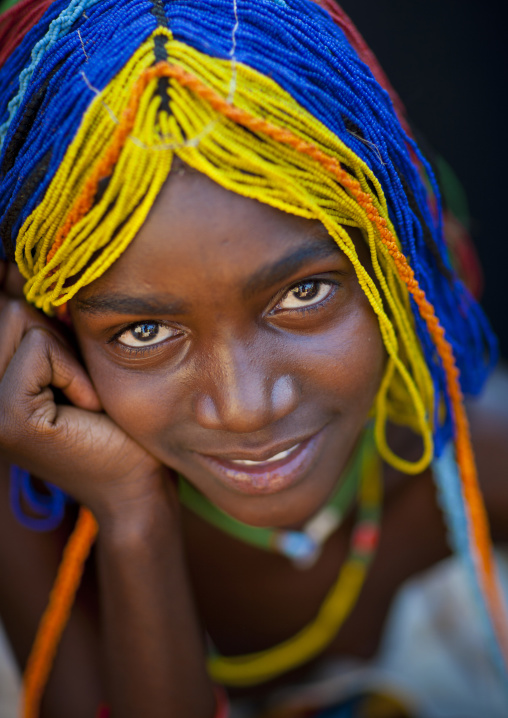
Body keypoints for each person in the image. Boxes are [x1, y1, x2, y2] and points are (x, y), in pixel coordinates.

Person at [0, 1, 507, 716]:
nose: (244, 406)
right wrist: (132, 515)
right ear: (48, 330)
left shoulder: (478, 466)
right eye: (143, 332)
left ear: (395, 261)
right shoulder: (31, 505)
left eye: (303, 292)